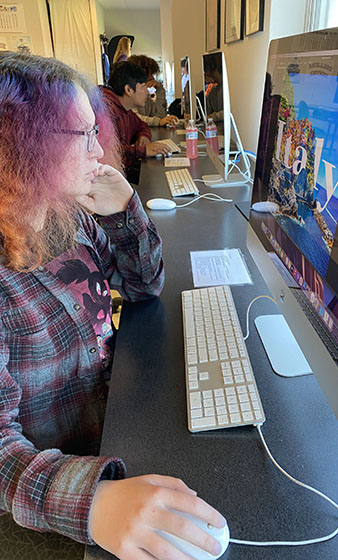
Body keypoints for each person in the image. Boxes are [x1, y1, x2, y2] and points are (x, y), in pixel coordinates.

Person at [0, 51, 225, 559]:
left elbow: (144, 285)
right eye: (80, 136)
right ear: (19, 147)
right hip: (61, 480)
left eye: (94, 130)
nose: (100, 147)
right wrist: (93, 502)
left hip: (117, 412)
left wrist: (126, 211)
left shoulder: (71, 221)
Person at [101, 61, 172, 177]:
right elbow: (111, 154)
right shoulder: (107, 111)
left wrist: (143, 135)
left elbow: (142, 125)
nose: (147, 92)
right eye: (143, 87)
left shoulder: (125, 110)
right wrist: (144, 151)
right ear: (128, 90)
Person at [129, 54, 178, 127]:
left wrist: (159, 90)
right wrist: (158, 121)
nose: (152, 77)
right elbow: (134, 119)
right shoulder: (128, 94)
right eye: (150, 74)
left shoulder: (145, 95)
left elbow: (160, 115)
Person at [203, 53, 224, 122]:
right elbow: (207, 112)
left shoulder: (228, 89)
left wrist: (212, 117)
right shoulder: (213, 91)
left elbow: (230, 112)